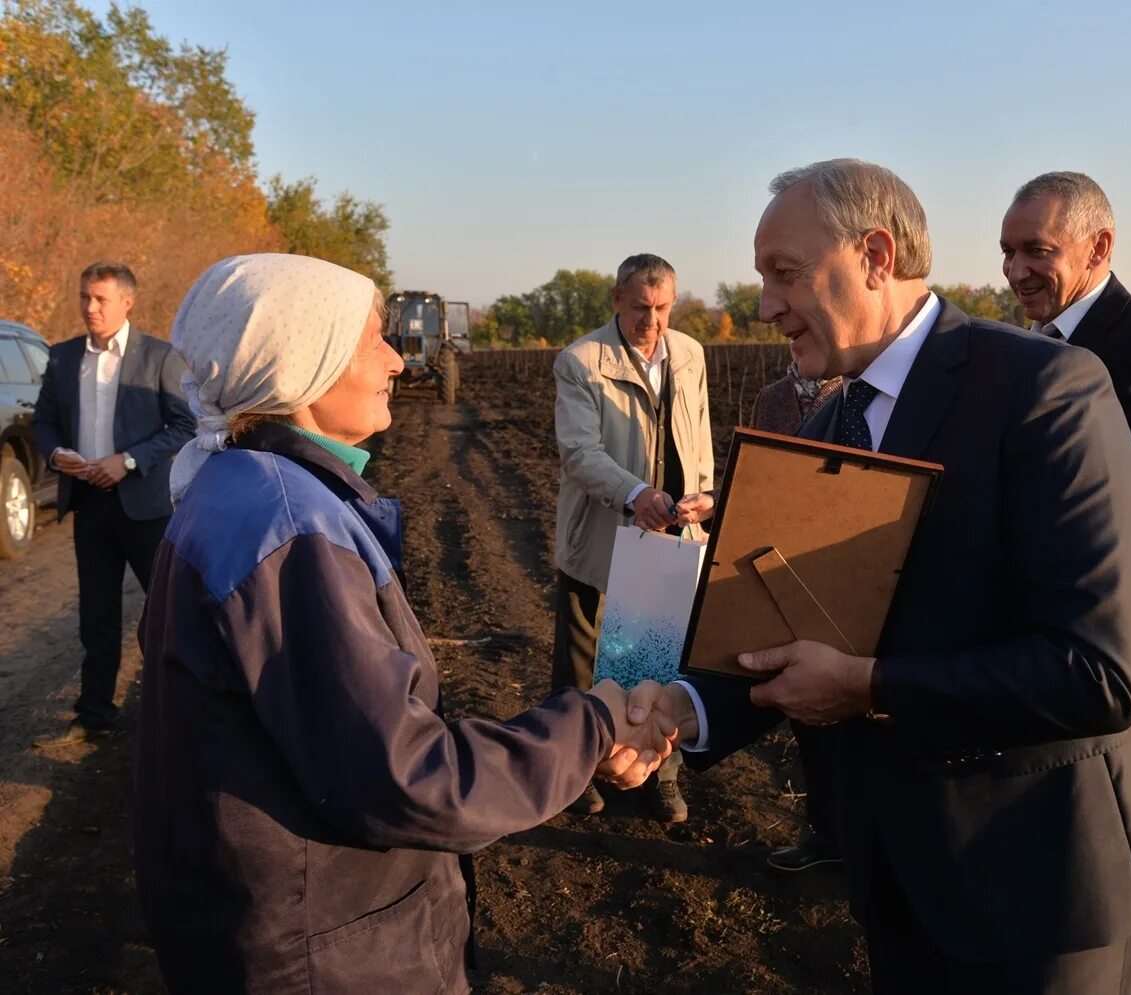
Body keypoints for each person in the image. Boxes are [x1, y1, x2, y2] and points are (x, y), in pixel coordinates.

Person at [637, 159, 1131, 994]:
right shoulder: (823, 425)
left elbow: (1098, 670)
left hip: (1045, 887)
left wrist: (870, 685)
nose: (764, 306)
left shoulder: (1042, 388)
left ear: (874, 254)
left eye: (784, 273)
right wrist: (675, 710)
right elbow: (771, 630)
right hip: (901, 882)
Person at [133, 254, 672, 994]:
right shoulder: (286, 526)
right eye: (371, 341)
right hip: (325, 954)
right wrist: (597, 723)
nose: (394, 359)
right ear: (304, 368)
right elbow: (407, 776)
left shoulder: (236, 488)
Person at [1001, 171, 1131, 995]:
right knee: (1089, 849)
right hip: (1044, 643)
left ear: (1099, 248)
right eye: (1007, 251)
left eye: (1036, 250)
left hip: (1110, 640)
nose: (1015, 269)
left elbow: (1110, 519)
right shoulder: (1029, 349)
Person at [551, 253, 713, 821]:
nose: (652, 320)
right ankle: (576, 775)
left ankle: (663, 776)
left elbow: (701, 436)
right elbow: (578, 453)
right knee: (581, 665)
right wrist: (635, 495)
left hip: (673, 536)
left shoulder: (690, 354)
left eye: (663, 307)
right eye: (641, 307)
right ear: (617, 300)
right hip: (599, 537)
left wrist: (706, 496)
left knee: (661, 662)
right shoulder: (581, 362)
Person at [30, 261, 195, 747]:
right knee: (96, 616)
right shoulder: (61, 358)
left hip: (146, 507)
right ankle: (95, 716)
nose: (90, 307)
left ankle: (183, 716)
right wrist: (56, 453)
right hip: (90, 505)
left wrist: (128, 460)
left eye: (100, 299)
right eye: (84, 297)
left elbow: (184, 427)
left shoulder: (161, 357)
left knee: (168, 612)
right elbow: (43, 422)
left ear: (127, 301)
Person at [746, 366, 845, 874]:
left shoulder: (852, 391)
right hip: (781, 565)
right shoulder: (772, 398)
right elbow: (756, 479)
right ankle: (827, 832)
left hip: (842, 568)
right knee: (809, 717)